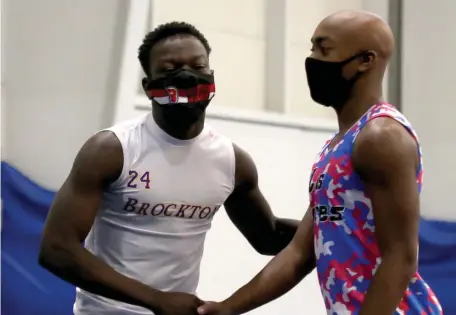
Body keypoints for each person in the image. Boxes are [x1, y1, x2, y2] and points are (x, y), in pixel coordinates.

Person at [38, 22, 299, 315]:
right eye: (170, 69)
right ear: (149, 87)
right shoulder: (112, 150)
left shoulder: (232, 162)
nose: (187, 76)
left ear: (211, 76)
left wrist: (339, 223)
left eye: (197, 66)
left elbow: (269, 237)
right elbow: (57, 249)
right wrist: (155, 299)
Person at [197, 10, 443, 315]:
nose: (313, 60)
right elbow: (300, 251)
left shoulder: (381, 137)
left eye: (324, 50)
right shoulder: (338, 145)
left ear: (365, 60)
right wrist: (225, 308)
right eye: (312, 48)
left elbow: (401, 257)